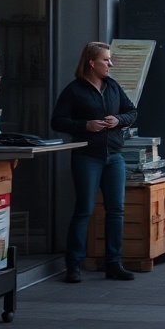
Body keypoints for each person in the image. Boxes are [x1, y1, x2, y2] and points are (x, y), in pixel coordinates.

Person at [50, 41, 138, 284]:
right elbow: (57, 121)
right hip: (87, 157)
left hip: (114, 157)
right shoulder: (74, 90)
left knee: (116, 210)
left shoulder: (112, 86)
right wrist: (84, 125)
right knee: (84, 210)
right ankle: (74, 265)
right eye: (106, 60)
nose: (111, 64)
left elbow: (132, 112)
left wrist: (117, 120)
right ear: (92, 62)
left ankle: (113, 263)